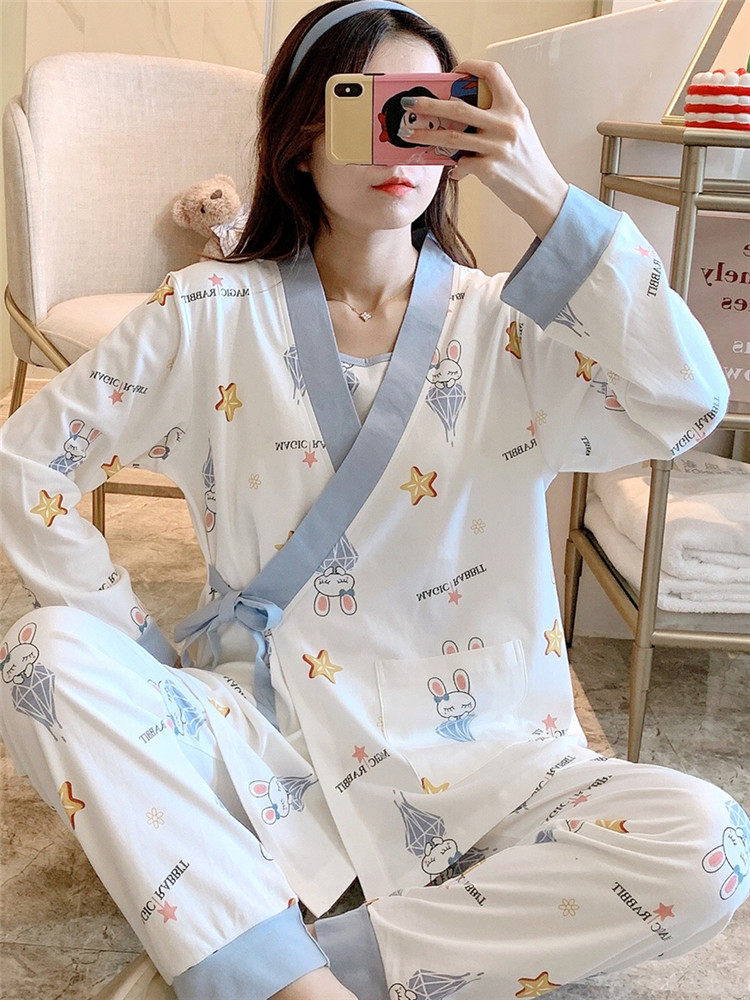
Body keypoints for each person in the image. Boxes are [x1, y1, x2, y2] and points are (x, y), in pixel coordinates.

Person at [1, 2, 747, 999]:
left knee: (707, 844)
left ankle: (283, 963)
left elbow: (689, 404)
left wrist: (541, 189)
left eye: (428, 108)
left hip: (486, 758)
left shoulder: (512, 331)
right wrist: (137, 648)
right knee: (40, 654)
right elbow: (27, 462)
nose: (398, 137)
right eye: (365, 104)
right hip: (269, 745)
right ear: (302, 138)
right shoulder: (208, 312)